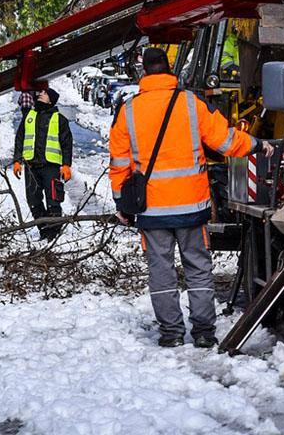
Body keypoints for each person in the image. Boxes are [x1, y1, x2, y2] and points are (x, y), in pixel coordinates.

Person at [109, 46, 273, 348]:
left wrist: (122, 204)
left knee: (161, 272)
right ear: (169, 68)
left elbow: (119, 163)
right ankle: (203, 332)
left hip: (152, 209)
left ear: (144, 71)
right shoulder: (190, 104)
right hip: (191, 207)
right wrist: (256, 144)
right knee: (198, 269)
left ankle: (171, 333)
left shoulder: (128, 111)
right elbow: (224, 140)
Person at [13, 87, 73, 240]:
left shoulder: (59, 119)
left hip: (51, 167)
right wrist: (17, 160)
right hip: (31, 167)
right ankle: (44, 230)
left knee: (53, 201)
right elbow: (20, 139)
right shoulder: (29, 117)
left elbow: (67, 144)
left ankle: (53, 233)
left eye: (45, 93)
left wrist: (66, 165)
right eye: (40, 92)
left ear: (51, 99)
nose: (40, 94)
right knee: (33, 201)